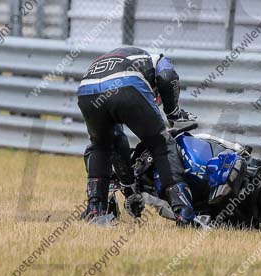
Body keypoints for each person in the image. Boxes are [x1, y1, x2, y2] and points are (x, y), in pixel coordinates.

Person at [77, 46, 196, 225]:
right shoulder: (158, 59)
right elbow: (166, 77)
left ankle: (95, 211)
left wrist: (129, 187)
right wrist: (173, 112)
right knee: (161, 145)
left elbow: (119, 143)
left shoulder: (127, 58)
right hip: (126, 83)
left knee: (101, 147)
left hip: (86, 88)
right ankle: (183, 213)